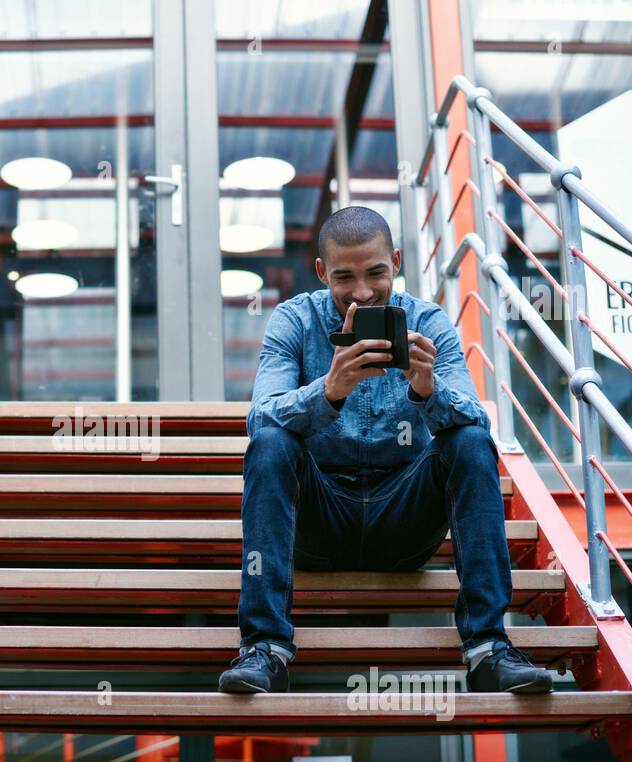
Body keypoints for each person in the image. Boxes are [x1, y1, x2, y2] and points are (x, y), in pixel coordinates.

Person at [218, 205, 553, 696]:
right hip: (319, 521)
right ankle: (265, 649)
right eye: (343, 277)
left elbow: (479, 422)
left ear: (395, 260)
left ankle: (488, 648)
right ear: (320, 272)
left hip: (403, 522)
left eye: (375, 272)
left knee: (469, 440)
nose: (361, 291)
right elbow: (260, 419)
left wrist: (426, 391)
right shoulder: (294, 320)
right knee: (271, 442)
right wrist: (328, 391)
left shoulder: (429, 322)